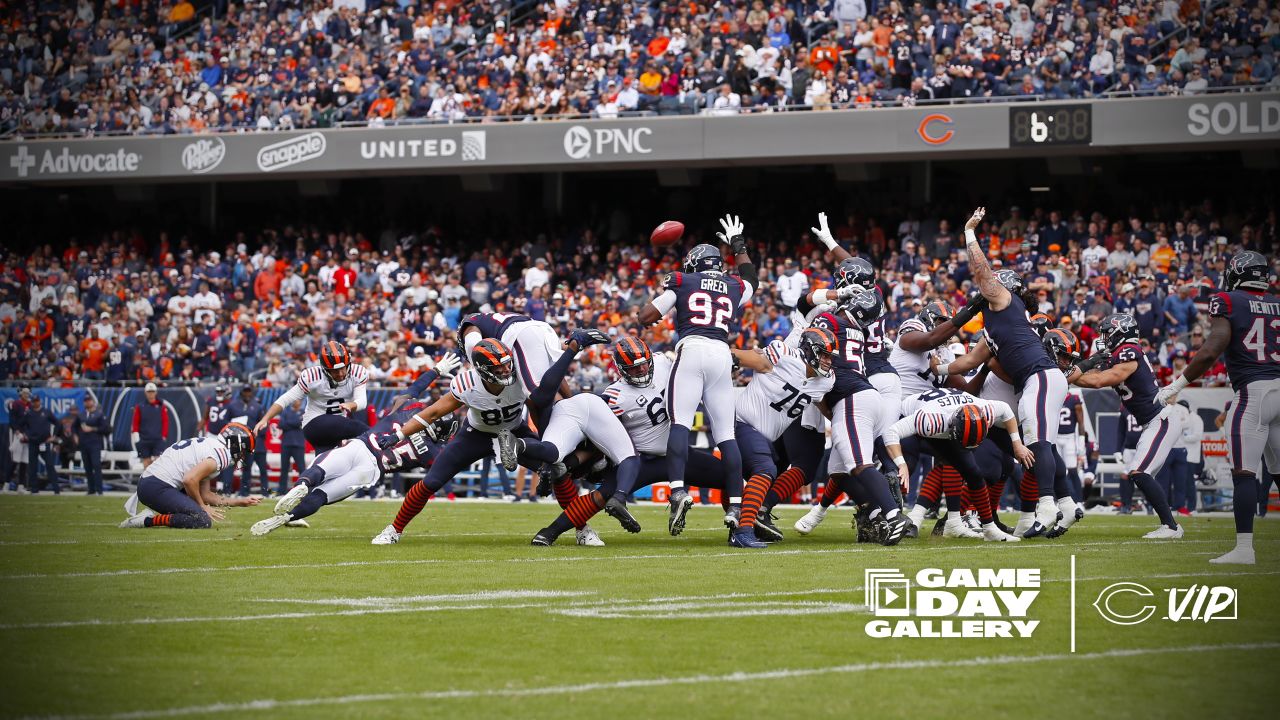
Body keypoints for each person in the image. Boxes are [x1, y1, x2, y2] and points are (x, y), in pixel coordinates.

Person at [372, 332, 609, 545]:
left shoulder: (519, 377)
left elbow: (539, 404)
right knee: (431, 482)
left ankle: (582, 528)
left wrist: (546, 440)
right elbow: (432, 412)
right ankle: (394, 529)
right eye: (499, 369)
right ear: (483, 370)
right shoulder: (467, 384)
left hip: (516, 433)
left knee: (559, 472)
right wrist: (399, 434)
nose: (506, 371)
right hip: (476, 435)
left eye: (507, 365)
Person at [939, 206, 1064, 538]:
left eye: (989, 285)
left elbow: (981, 270)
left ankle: (1050, 505)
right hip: (1035, 380)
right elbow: (967, 362)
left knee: (1038, 444)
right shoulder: (996, 324)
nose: (983, 288)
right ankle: (1033, 516)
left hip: (1040, 376)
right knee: (1034, 446)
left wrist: (968, 233)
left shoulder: (1005, 301)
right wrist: (936, 367)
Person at [1156, 251, 1278, 564]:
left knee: (1244, 473)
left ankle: (1244, 549)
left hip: (1253, 391)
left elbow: (1212, 349)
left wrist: (1177, 384)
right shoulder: (1277, 302)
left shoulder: (1229, 300)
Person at [638, 215, 756, 536]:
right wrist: (738, 245)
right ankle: (734, 504)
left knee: (680, 423)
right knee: (726, 435)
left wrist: (653, 305)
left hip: (692, 349)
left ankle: (677, 490)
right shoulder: (733, 285)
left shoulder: (682, 281)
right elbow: (751, 278)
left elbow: (646, 316)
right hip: (721, 355)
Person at [1068, 313, 1183, 539]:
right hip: (1152, 423)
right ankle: (1170, 525)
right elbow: (1091, 375)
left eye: (1109, 333)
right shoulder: (1120, 354)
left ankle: (1171, 527)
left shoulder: (1129, 351)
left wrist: (1069, 373)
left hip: (1162, 419)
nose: (1106, 338)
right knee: (1140, 473)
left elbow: (1099, 380)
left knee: (1139, 472)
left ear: (1122, 333)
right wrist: (1072, 371)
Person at [726, 327, 837, 548]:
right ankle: (743, 531)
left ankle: (738, 521)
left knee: (749, 477)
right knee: (765, 469)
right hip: (741, 423)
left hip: (764, 435)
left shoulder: (825, 381)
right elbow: (736, 355)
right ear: (809, 351)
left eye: (829, 356)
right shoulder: (782, 357)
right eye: (823, 354)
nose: (827, 361)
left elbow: (822, 405)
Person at [885, 387, 1032, 541]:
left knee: (973, 473)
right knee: (907, 465)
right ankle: (885, 518)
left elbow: (1006, 410)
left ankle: (988, 529)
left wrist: (1017, 444)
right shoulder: (930, 420)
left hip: (949, 415)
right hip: (909, 414)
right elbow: (891, 433)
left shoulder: (985, 410)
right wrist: (901, 464)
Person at [119, 424, 261, 529]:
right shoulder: (221, 455)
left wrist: (240, 502)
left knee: (200, 515)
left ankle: (148, 518)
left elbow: (205, 495)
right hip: (156, 486)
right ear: (236, 444)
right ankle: (146, 520)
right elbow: (189, 480)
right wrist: (202, 506)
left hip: (151, 483)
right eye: (243, 450)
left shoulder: (211, 445)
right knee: (201, 520)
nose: (243, 455)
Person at [253, 341, 370, 454]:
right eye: (335, 371)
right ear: (325, 369)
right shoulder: (312, 377)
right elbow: (285, 399)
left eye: (343, 368)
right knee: (362, 430)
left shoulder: (357, 373)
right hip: (315, 425)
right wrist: (265, 419)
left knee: (328, 465)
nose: (340, 374)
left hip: (336, 429)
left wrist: (351, 405)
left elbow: (362, 402)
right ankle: (380, 440)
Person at [230, 386, 269, 496]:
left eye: (249, 392)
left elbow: (264, 425)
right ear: (242, 393)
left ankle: (265, 492)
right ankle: (244, 491)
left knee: (263, 469)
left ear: (251, 393)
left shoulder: (258, 406)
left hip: (259, 443)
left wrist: (255, 434)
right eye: (245, 392)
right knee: (246, 469)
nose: (247, 394)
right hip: (247, 444)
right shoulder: (236, 406)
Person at [24, 394, 61, 494]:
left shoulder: (46, 412)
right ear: (31, 402)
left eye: (37, 401)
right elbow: (23, 425)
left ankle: (56, 489)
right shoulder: (29, 413)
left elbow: (57, 423)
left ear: (40, 401)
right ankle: (34, 489)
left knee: (49, 465)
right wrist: (26, 434)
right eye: (34, 401)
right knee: (32, 466)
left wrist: (53, 436)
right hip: (33, 442)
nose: (35, 403)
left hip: (45, 442)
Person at [131, 382, 170, 468]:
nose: (151, 394)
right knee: (146, 463)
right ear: (145, 392)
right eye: (149, 392)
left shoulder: (161, 406)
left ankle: (157, 481)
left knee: (159, 463)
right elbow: (135, 423)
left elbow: (165, 422)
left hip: (158, 439)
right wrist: (137, 439)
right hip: (144, 439)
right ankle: (147, 481)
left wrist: (163, 436)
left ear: (156, 392)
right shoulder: (140, 407)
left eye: (152, 391)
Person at [78, 395, 109, 495]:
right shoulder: (81, 415)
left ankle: (99, 490)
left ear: (92, 401)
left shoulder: (99, 414)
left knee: (96, 466)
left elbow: (106, 429)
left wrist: (92, 429)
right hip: (84, 444)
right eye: (85, 401)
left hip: (95, 444)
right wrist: (76, 436)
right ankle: (91, 489)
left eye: (89, 400)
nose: (87, 402)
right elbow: (75, 427)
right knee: (87, 467)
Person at [277, 398, 307, 495]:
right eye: (294, 401)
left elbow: (301, 423)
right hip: (286, 444)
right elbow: (281, 425)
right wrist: (295, 423)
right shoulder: (285, 412)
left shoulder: (303, 412)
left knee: (301, 468)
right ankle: (281, 490)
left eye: (298, 401)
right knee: (284, 468)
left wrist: (289, 423)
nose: (296, 402)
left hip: (298, 444)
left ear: (301, 402)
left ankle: (303, 489)